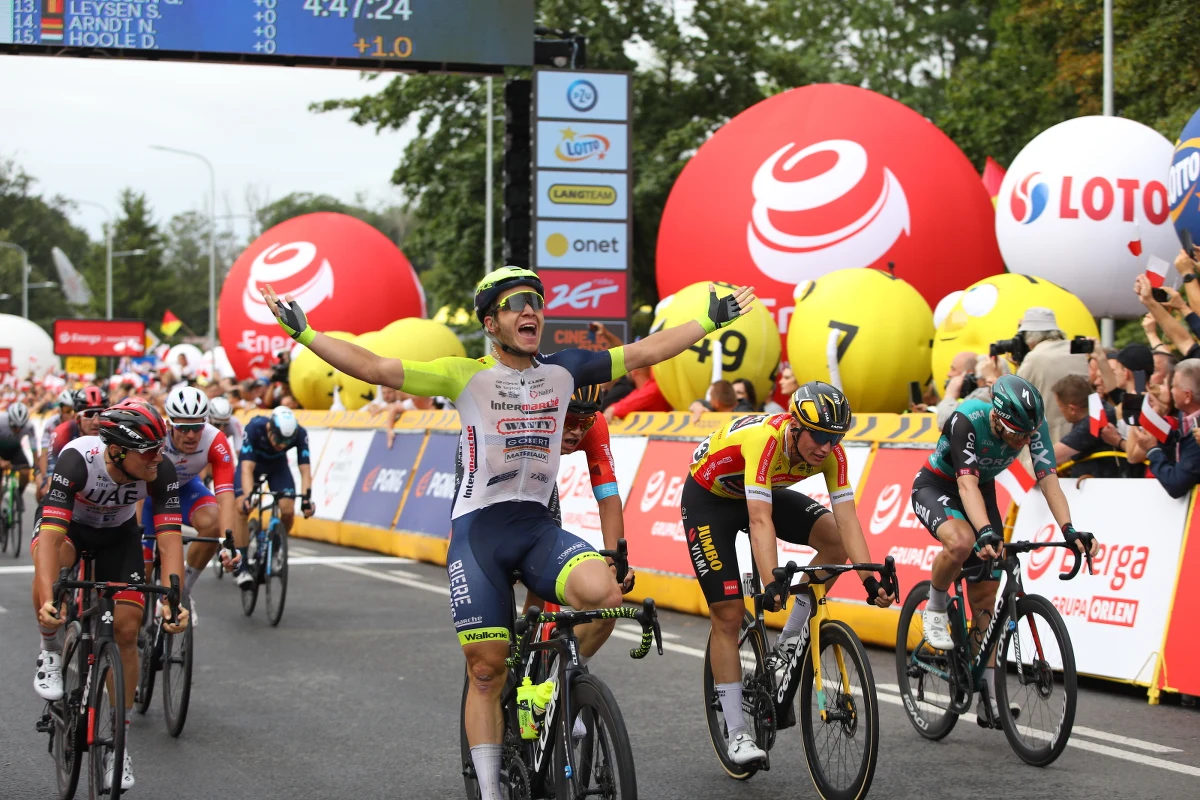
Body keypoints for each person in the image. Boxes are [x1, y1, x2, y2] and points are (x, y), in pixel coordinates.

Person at [261, 267, 754, 800]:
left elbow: (644, 352)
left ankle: (548, 691)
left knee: (606, 597)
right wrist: (305, 333)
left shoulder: (565, 370)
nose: (531, 312)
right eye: (517, 304)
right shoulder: (463, 375)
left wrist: (708, 320)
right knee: (487, 669)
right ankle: (493, 788)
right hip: (480, 535)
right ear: (491, 321)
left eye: (537, 304)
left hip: (538, 527)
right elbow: (376, 365)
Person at [683, 381, 895, 764]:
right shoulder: (767, 441)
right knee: (728, 614)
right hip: (709, 500)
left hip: (759, 490)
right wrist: (771, 583)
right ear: (795, 426)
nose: (826, 449)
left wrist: (868, 577)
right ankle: (737, 733)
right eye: (818, 437)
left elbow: (848, 520)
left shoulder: (832, 453)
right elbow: (759, 520)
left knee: (836, 542)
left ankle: (791, 638)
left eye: (835, 438)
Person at [910, 375, 1098, 727]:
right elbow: (964, 484)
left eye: (1030, 435)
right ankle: (935, 606)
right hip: (938, 487)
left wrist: (1069, 530)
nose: (1025, 442)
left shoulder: (1031, 426)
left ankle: (987, 695)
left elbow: (1048, 479)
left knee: (985, 600)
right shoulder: (968, 418)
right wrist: (983, 532)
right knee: (963, 541)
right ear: (997, 418)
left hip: (980, 491)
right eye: (1018, 436)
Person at [31, 400, 188, 791]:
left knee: (128, 629)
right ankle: (50, 650)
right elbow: (50, 539)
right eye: (149, 450)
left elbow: (169, 541)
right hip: (71, 531)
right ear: (117, 450)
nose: (159, 456)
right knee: (54, 570)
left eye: (161, 447)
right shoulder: (76, 460)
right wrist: (51, 599)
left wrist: (175, 597)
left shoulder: (159, 470)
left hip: (119, 538)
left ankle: (118, 745)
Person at [143, 387, 239, 621]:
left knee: (214, 521)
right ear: (169, 425)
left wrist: (229, 544)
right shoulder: (154, 437)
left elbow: (226, 495)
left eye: (197, 427)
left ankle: (184, 589)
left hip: (184, 490)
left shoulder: (215, 440)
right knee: (141, 576)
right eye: (183, 428)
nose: (191, 435)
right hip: (146, 496)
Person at [233, 406, 314, 588]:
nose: (282, 445)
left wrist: (307, 499)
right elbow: (246, 468)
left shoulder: (300, 433)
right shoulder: (255, 428)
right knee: (241, 508)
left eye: (287, 441)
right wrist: (248, 497)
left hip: (277, 468)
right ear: (270, 428)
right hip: (252, 465)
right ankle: (242, 564)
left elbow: (305, 469)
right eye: (278, 439)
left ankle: (276, 548)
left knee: (287, 509)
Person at [1012, 308, 1089, 444]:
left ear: (1029, 336)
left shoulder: (1035, 357)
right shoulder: (1077, 351)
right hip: (1081, 435)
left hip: (1047, 440)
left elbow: (1015, 400)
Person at [1126, 359, 1200, 498]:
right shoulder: (1186, 417)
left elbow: (1176, 484)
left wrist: (1152, 450)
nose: (1170, 391)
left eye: (1173, 386)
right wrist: (1155, 420)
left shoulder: (1197, 432)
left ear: (1188, 396)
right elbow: (1176, 442)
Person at [1050, 374, 1130, 477]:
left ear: (1072, 409)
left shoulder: (1096, 421)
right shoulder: (1096, 407)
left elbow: (1050, 456)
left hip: (1102, 487)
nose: (1060, 411)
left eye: (1060, 406)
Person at [47, 387, 107, 476]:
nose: (96, 422)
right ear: (77, 417)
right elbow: (51, 476)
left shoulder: (114, 431)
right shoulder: (62, 432)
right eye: (89, 415)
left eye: (101, 414)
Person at [36, 389, 76, 501]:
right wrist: (45, 480)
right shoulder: (51, 424)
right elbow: (45, 453)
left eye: (75, 411)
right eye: (67, 411)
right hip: (53, 460)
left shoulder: (83, 424)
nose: (71, 415)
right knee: (43, 490)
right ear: (60, 410)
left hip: (73, 464)